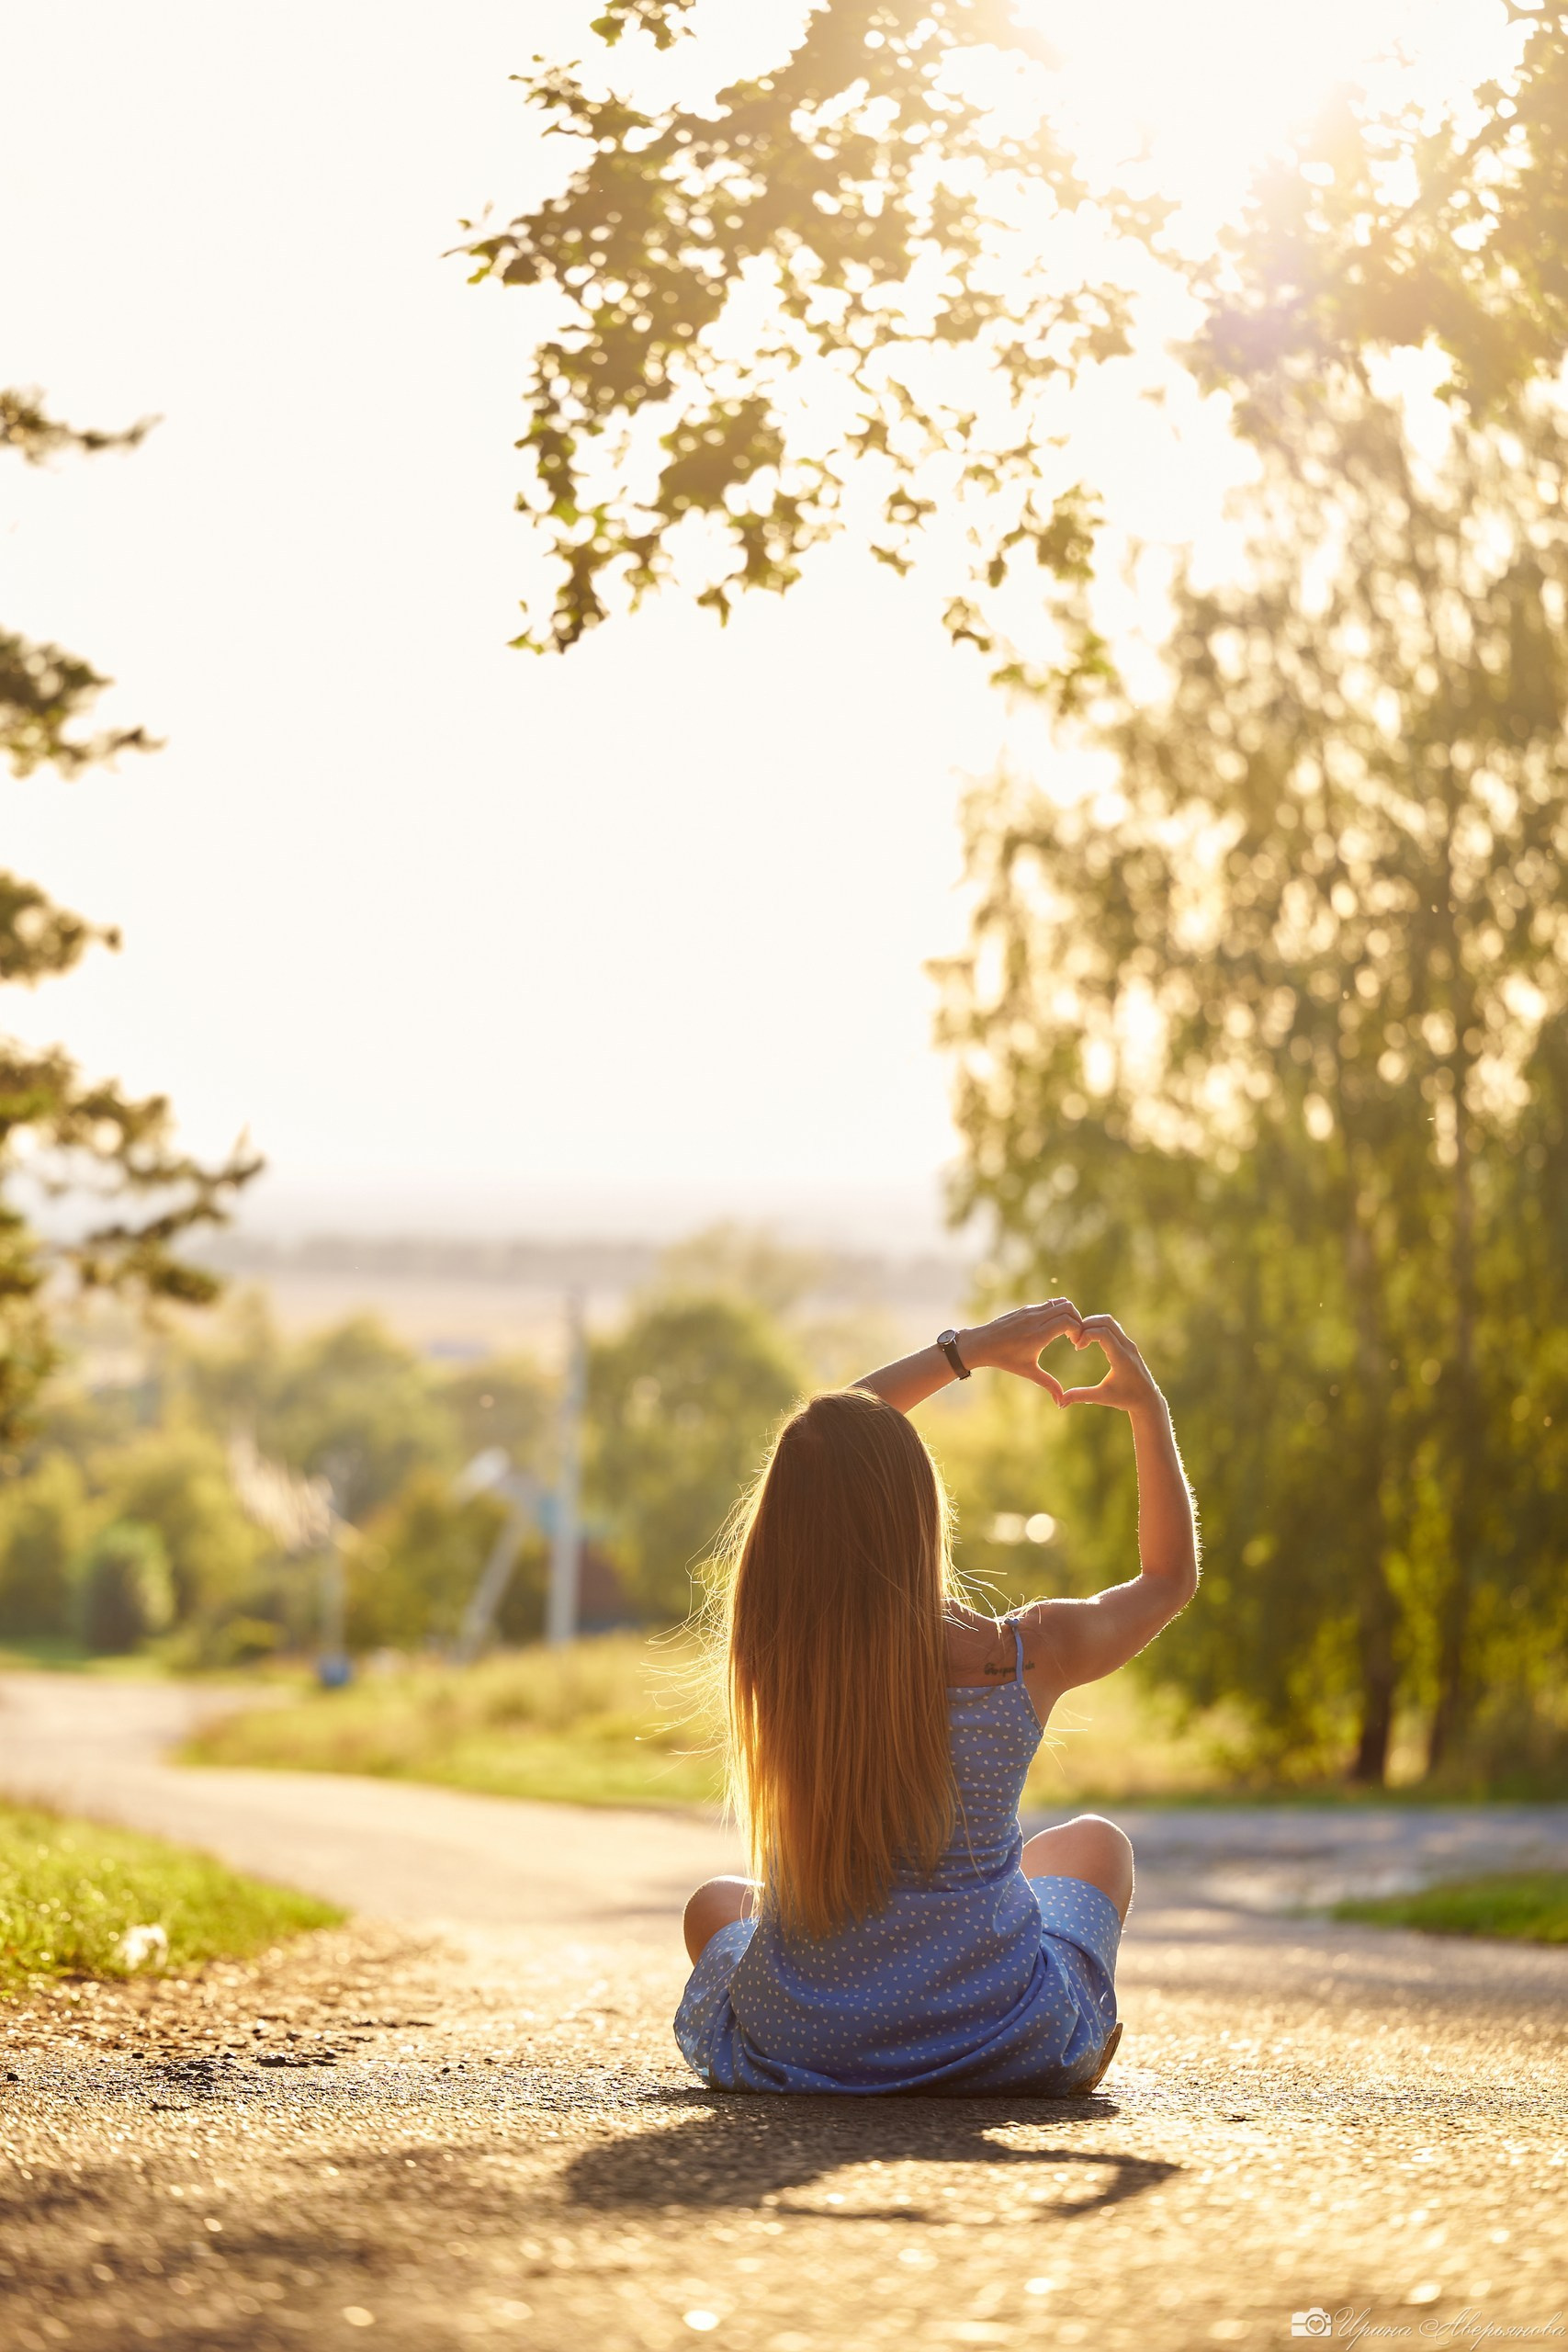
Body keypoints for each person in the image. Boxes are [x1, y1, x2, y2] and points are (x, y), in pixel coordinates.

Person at [675, 1300, 1200, 2096]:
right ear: (923, 1510)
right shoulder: (1019, 1654)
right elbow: (1167, 1580)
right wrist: (1147, 1412)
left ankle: (858, 2030)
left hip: (807, 2038)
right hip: (998, 2031)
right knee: (1094, 1844)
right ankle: (1031, 2032)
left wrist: (965, 1352)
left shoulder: (776, 1646)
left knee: (715, 1906)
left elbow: (823, 1447)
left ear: (784, 1528)